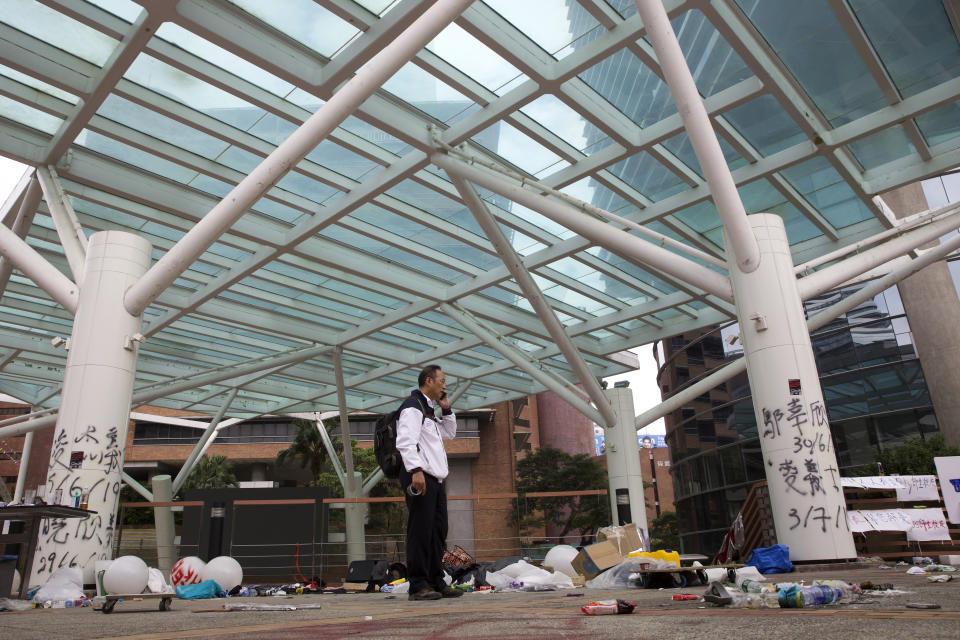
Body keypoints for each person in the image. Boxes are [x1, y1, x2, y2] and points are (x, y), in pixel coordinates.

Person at [395, 364, 461, 601]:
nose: (445, 385)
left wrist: (447, 409)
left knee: (437, 532)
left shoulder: (429, 411)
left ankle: (435, 579)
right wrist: (415, 470)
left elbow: (450, 433)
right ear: (428, 381)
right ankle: (418, 584)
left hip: (435, 479)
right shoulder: (413, 407)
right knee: (420, 531)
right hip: (421, 476)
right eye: (441, 380)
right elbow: (405, 441)